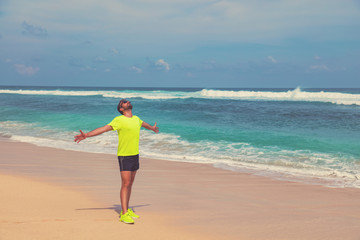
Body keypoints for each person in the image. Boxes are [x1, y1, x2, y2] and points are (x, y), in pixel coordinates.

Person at [74, 99, 159, 224]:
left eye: (127, 101)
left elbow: (144, 124)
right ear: (121, 109)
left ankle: (127, 209)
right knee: (125, 184)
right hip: (124, 156)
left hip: (135, 155)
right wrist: (87, 135)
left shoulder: (136, 119)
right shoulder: (118, 120)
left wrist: (152, 128)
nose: (127, 102)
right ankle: (124, 214)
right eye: (124, 102)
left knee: (130, 184)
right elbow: (104, 129)